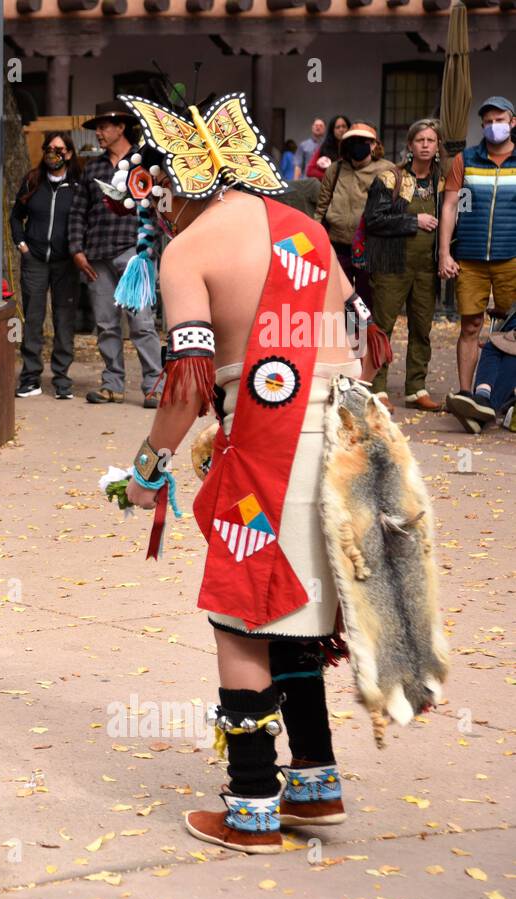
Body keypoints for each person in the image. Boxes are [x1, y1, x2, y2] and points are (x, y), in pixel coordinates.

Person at [108, 89, 430, 854]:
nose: (152, 213)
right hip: (352, 436)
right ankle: (314, 785)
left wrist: (149, 466)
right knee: (297, 611)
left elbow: (185, 380)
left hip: (273, 442)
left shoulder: (188, 250)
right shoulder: (305, 227)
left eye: (149, 194)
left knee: (244, 612)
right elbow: (367, 335)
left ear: (174, 183)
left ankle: (251, 800)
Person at [69, 100, 163, 408]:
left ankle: (154, 386)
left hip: (135, 253)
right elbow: (78, 211)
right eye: (97, 127)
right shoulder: (93, 167)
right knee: (106, 323)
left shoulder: (146, 162)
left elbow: (161, 205)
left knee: (142, 323)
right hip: (96, 254)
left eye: (103, 127)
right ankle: (112, 384)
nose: (98, 132)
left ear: (120, 127)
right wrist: (76, 250)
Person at [439, 96, 516, 422]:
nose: (492, 126)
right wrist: (444, 252)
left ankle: (504, 397)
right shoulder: (465, 159)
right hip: (469, 259)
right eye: (486, 121)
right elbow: (450, 206)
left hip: (511, 257)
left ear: (512, 122)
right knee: (470, 326)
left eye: (499, 120)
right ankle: (467, 397)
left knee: (512, 330)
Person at [364, 119, 445, 410]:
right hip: (392, 265)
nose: (425, 145)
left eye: (431, 140)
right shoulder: (389, 177)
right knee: (383, 327)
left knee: (422, 328)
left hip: (426, 268)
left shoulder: (444, 181)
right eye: (420, 140)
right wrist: (414, 220)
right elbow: (374, 220)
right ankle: (377, 387)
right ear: (410, 145)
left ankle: (416, 389)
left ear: (437, 147)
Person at [315, 122, 396, 409]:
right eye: (353, 141)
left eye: (364, 141)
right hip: (337, 247)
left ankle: (369, 373)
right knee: (340, 307)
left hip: (370, 250)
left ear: (374, 144)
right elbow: (321, 207)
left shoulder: (387, 171)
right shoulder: (335, 170)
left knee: (366, 308)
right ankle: (345, 365)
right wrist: (316, 238)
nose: (358, 146)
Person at [13, 131, 83, 399]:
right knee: (32, 318)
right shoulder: (32, 181)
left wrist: (78, 250)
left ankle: (62, 379)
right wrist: (23, 246)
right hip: (35, 260)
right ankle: (30, 378)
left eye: (60, 149)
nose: (55, 153)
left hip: (66, 262)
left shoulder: (78, 185)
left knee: (64, 319)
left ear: (70, 153)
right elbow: (15, 217)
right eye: (50, 148)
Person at [305, 114, 350, 180]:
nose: (341, 130)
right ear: (332, 131)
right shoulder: (325, 147)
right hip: (330, 186)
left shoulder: (354, 147)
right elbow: (310, 171)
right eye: (337, 127)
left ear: (349, 128)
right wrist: (331, 178)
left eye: (344, 126)